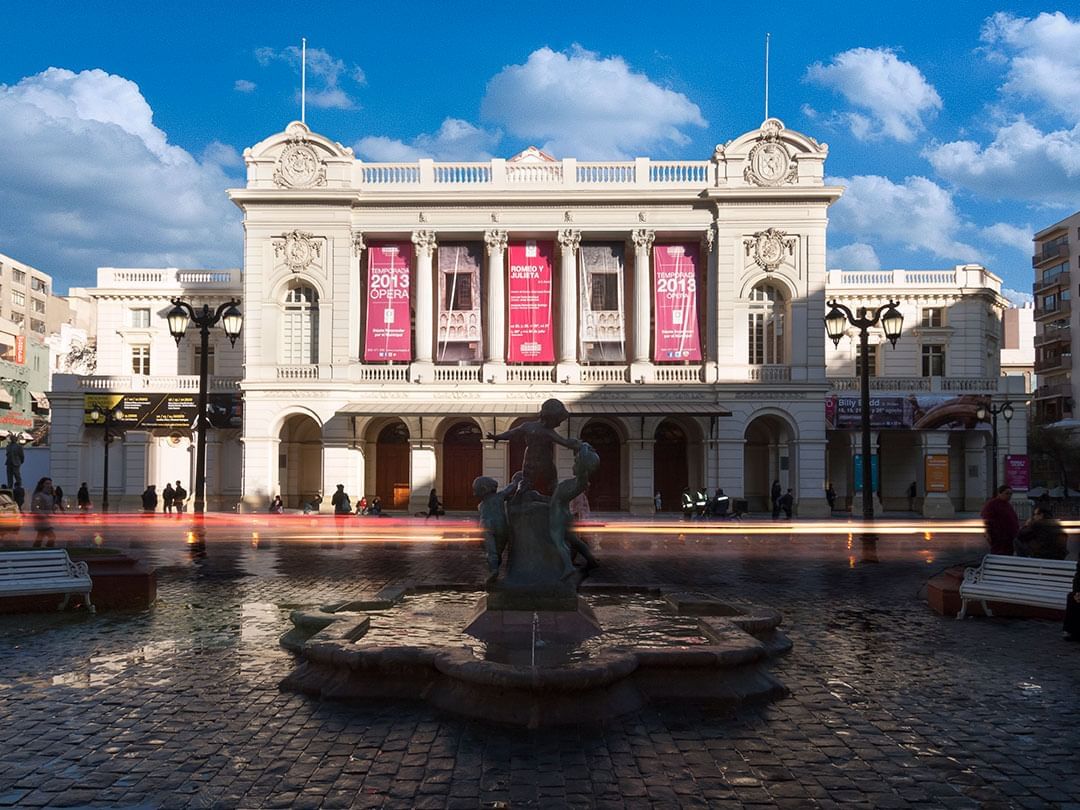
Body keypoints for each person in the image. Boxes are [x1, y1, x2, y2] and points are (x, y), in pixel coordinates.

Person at [486, 399, 581, 497]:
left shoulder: (528, 426)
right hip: (545, 461)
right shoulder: (548, 432)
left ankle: (517, 500)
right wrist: (578, 445)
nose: (559, 424)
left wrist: (497, 437)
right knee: (551, 483)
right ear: (551, 418)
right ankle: (553, 503)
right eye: (558, 421)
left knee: (526, 482)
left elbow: (512, 433)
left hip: (531, 459)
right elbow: (564, 442)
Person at [474, 473, 520, 578]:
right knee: (498, 550)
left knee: (492, 551)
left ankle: (494, 569)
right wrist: (516, 480)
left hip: (486, 526)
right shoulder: (499, 497)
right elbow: (509, 489)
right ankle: (495, 568)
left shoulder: (480, 506)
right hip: (501, 526)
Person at [980, 485, 1019, 555]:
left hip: (1009, 537)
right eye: (1007, 493)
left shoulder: (1007, 505)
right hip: (998, 536)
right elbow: (986, 518)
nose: (1009, 496)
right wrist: (987, 533)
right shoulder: (992, 504)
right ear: (999, 493)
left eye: (1011, 494)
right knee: (998, 553)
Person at [30, 476, 56, 548]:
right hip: (41, 521)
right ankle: (49, 551)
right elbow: (34, 508)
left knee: (40, 537)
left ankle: (35, 550)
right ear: (42, 485)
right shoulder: (38, 495)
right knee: (52, 537)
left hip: (47, 520)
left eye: (50, 483)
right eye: (47, 483)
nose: (49, 485)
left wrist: (53, 509)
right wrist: (43, 515)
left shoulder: (50, 495)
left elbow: (49, 507)